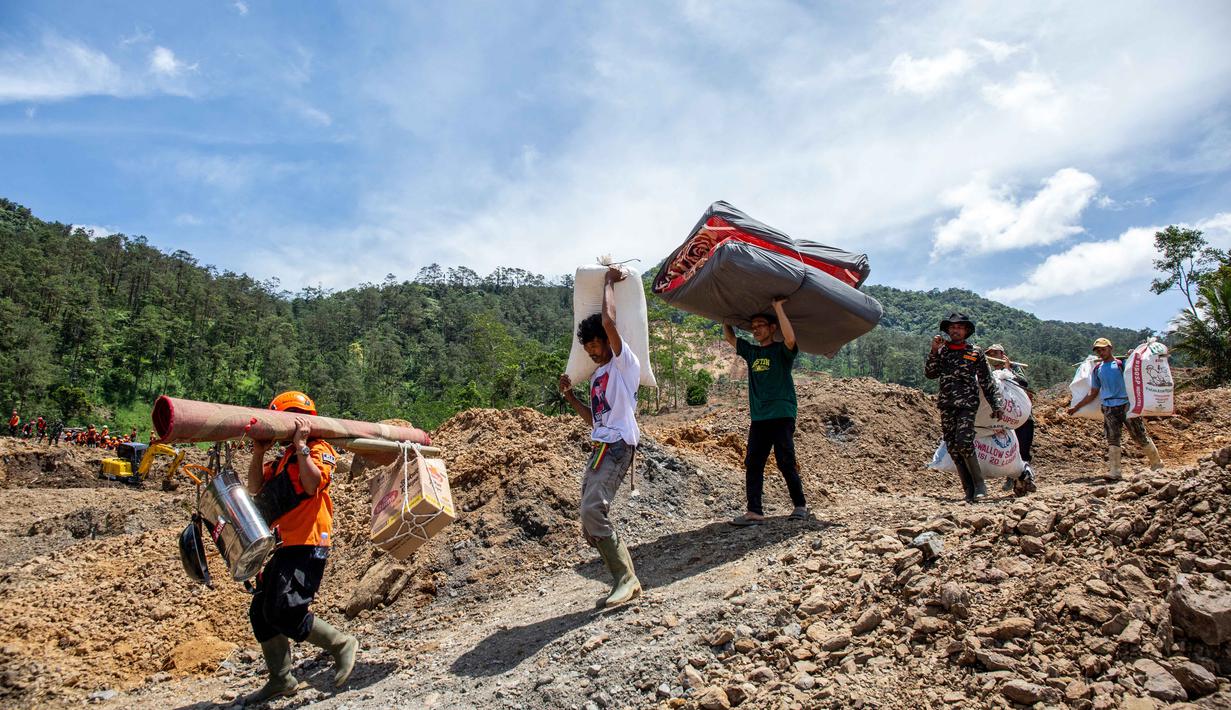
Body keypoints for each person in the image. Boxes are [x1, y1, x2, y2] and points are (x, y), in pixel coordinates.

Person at [243, 390, 357, 703]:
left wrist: (303, 447)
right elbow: (255, 488)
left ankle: (341, 644)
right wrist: (257, 453)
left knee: (285, 610)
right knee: (261, 610)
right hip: (284, 544)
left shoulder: (319, 449)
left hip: (309, 541)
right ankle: (281, 679)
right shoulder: (281, 461)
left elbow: (311, 484)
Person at [557, 266, 642, 609]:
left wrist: (608, 280)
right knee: (588, 524)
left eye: (597, 344)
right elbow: (595, 418)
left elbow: (609, 323)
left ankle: (627, 579)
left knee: (594, 510)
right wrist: (570, 397)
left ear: (609, 341)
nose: (593, 350)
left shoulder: (624, 365)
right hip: (600, 447)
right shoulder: (596, 378)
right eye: (588, 346)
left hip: (620, 445)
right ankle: (623, 578)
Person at [724, 299, 808, 526]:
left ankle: (800, 505)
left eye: (760, 324)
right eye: (753, 325)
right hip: (760, 417)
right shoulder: (752, 353)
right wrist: (723, 316)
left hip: (781, 413)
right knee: (753, 461)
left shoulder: (782, 351)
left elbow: (790, 339)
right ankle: (754, 512)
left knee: (785, 460)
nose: (755, 328)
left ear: (772, 328)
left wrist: (778, 307)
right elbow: (731, 338)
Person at [925, 313, 1003, 503]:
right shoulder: (943, 351)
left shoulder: (975, 352)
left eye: (959, 327)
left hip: (967, 404)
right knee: (952, 446)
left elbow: (986, 380)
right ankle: (968, 489)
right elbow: (931, 373)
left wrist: (996, 404)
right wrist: (934, 351)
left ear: (966, 330)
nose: (955, 330)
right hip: (946, 404)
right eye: (952, 327)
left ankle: (980, 485)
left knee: (964, 442)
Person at [1066, 338, 1163, 479]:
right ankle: (1115, 472)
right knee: (1112, 438)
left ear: (1110, 348)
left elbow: (1139, 370)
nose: (1101, 352)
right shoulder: (1097, 369)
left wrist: (1134, 355)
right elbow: (1093, 392)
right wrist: (1076, 407)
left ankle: (1157, 464)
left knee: (1138, 435)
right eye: (1098, 350)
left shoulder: (1121, 364)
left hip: (1126, 405)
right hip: (1109, 407)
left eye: (1103, 349)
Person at [985, 345, 1037, 496]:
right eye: (990, 354)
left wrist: (1009, 369)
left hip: (1022, 416)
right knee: (1010, 449)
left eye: (995, 353)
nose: (992, 356)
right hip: (1006, 420)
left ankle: (1026, 480)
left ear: (1002, 354)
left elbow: (1024, 383)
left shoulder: (1014, 367)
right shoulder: (992, 373)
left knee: (1023, 450)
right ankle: (1013, 478)